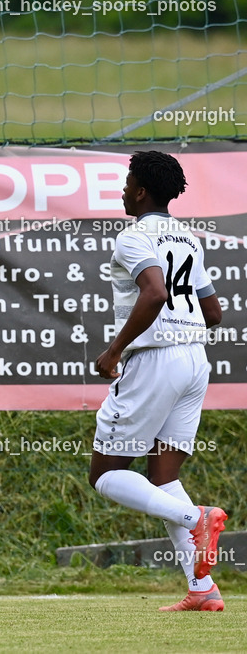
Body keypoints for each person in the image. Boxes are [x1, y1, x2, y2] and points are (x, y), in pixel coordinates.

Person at [88, 150, 226, 612]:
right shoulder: (189, 239)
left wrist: (114, 350)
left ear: (141, 190)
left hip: (155, 361)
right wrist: (182, 338)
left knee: (106, 474)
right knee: (163, 479)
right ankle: (202, 589)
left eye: (128, 184)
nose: (123, 191)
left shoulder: (132, 237)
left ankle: (198, 517)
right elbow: (213, 313)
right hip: (195, 362)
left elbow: (154, 292)